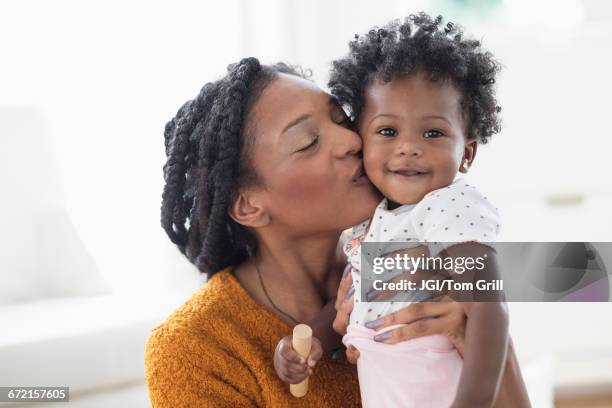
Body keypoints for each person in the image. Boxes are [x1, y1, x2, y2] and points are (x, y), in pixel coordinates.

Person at [145, 55, 529, 406]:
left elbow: (575, 276)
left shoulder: (421, 251)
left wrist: (472, 332)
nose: (351, 140)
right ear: (248, 206)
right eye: (309, 142)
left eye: (343, 119)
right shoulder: (195, 347)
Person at [274, 13, 511, 407]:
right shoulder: (369, 221)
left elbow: (490, 310)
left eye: (433, 133)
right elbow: (349, 302)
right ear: (362, 140)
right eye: (387, 132)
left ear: (466, 153)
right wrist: (309, 340)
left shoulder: (448, 207)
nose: (408, 147)